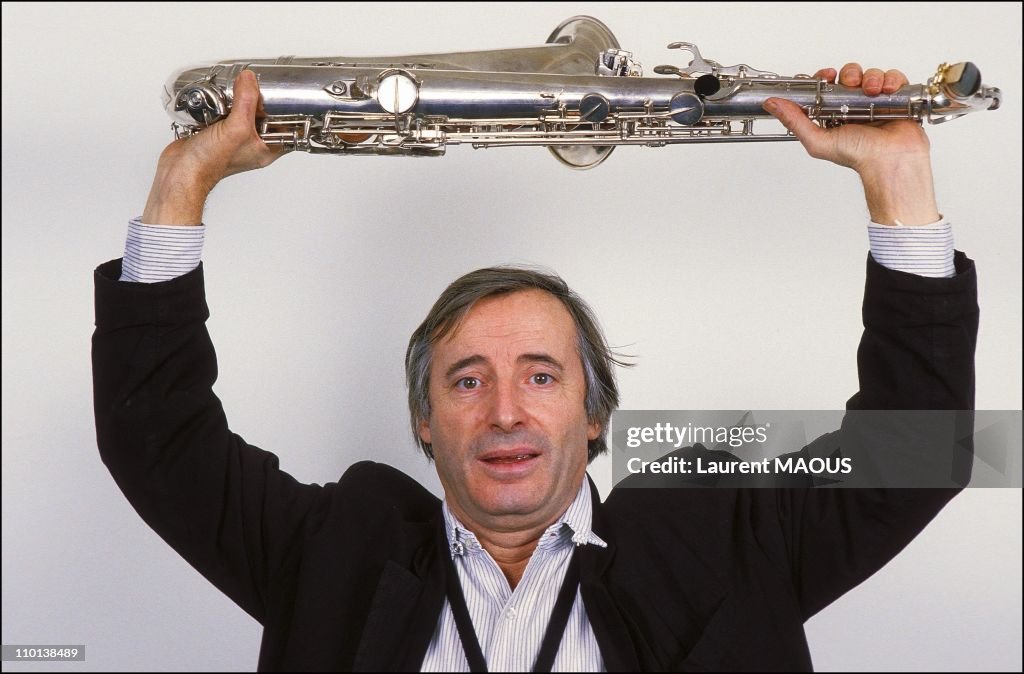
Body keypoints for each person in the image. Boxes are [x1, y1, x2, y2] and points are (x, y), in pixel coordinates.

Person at [92, 65, 977, 671]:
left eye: (542, 375)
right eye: (467, 380)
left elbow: (917, 453)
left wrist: (897, 184)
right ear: (424, 422)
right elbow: (156, 441)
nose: (506, 411)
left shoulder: (721, 540)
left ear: (596, 414)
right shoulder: (334, 553)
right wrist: (184, 187)